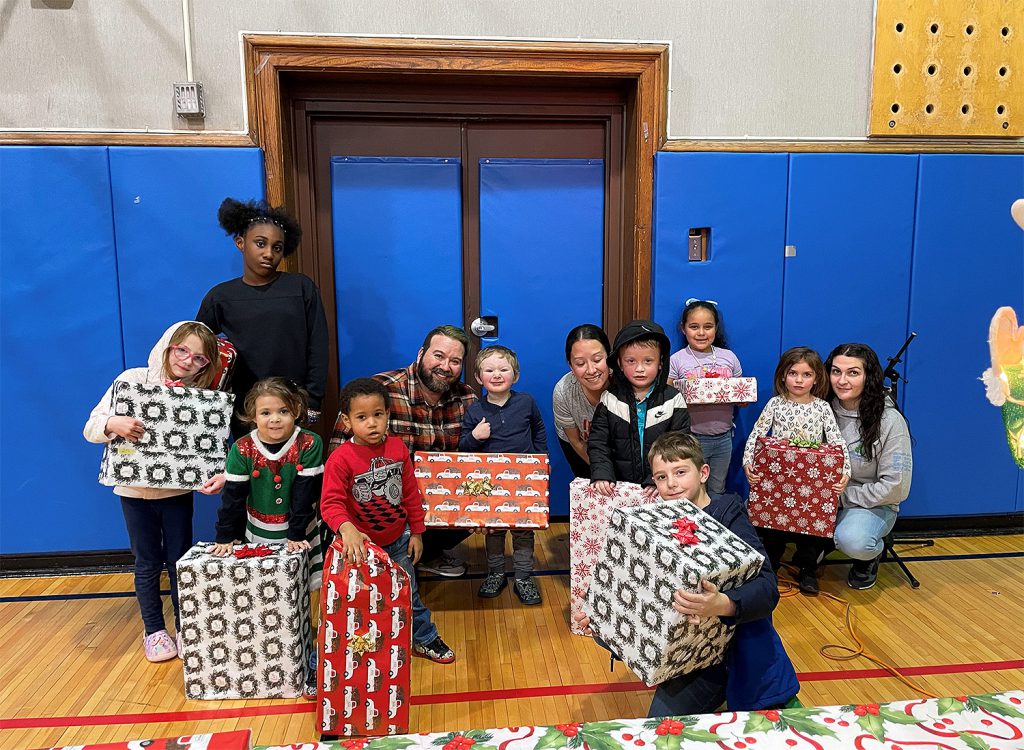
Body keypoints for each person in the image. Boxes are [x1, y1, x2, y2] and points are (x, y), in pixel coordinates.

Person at [576, 432, 799, 715]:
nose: (671, 484)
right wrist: (603, 616)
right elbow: (642, 602)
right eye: (660, 477)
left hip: (735, 659)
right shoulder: (657, 524)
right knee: (660, 729)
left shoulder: (728, 513)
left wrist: (723, 604)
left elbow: (768, 588)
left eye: (680, 472)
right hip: (685, 658)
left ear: (704, 472)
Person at [84, 321, 221, 663]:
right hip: (133, 491)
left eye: (200, 359)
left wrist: (218, 474)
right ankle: (154, 630)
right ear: (168, 345)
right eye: (183, 350)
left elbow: (213, 449)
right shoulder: (131, 381)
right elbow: (91, 426)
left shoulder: (199, 398)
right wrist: (112, 424)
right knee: (146, 562)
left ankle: (185, 625)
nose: (189, 361)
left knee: (179, 560)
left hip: (176, 493)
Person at [321, 377, 456, 664]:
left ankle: (424, 638)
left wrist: (417, 532)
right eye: (362, 417)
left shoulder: (396, 450)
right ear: (346, 421)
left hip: (397, 542)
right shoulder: (340, 459)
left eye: (378, 415)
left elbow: (409, 494)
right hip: (358, 548)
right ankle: (336, 655)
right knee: (350, 603)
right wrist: (348, 530)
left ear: (387, 415)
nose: (371, 423)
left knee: (408, 593)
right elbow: (331, 504)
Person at [211, 376, 325, 698]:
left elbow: (305, 493)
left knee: (304, 589)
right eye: (266, 413)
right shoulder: (242, 448)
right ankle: (271, 647)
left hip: (300, 531)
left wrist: (295, 533)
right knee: (267, 591)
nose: (274, 419)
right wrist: (225, 536)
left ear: (297, 411)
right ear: (252, 415)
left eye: (283, 411)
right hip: (257, 531)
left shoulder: (309, 444)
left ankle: (308, 646)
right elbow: (233, 496)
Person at [332, 325, 477, 578]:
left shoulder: (467, 399)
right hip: (381, 506)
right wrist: (345, 525)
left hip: (434, 497)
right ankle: (382, 555)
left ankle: (427, 554)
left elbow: (480, 462)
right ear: (421, 354)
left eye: (455, 361)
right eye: (439, 356)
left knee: (478, 499)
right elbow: (338, 455)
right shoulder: (378, 392)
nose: (445, 366)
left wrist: (487, 511)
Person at [197, 198, 329, 437]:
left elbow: (318, 346)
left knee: (296, 471)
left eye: (277, 247)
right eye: (260, 243)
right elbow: (196, 348)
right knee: (248, 472)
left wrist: (313, 400)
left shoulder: (300, 287)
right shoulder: (220, 296)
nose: (269, 253)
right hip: (244, 411)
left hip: (293, 405)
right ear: (240, 243)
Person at [742, 347, 851, 595]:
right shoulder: (775, 404)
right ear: (783, 375)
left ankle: (808, 571)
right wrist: (749, 462)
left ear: (817, 378)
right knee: (772, 531)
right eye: (793, 373)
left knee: (810, 533)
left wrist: (845, 470)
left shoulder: (822, 408)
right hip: (778, 481)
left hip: (810, 483)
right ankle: (768, 569)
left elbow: (836, 442)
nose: (799, 380)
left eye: (806, 374)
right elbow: (757, 435)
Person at [459, 345, 548, 605]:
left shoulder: (526, 402)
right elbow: (463, 447)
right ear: (478, 378)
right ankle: (496, 573)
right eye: (489, 370)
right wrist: (475, 437)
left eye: (503, 369)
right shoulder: (475, 411)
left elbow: (539, 430)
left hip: (525, 479)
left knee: (523, 531)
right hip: (488, 483)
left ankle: (523, 577)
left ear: (515, 375)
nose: (496, 375)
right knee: (494, 531)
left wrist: (543, 461)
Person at [826, 343, 913, 590]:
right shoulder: (820, 409)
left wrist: (842, 497)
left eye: (853, 373)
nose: (842, 380)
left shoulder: (889, 420)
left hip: (870, 503)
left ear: (869, 376)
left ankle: (872, 551)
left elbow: (896, 488)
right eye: (836, 371)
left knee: (854, 541)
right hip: (826, 501)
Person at [588, 320, 690, 496]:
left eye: (648, 361)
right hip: (618, 490)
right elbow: (598, 444)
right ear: (620, 363)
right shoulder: (609, 400)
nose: (640, 369)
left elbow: (679, 446)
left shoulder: (674, 399)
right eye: (631, 361)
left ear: (660, 363)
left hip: (660, 489)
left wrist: (658, 477)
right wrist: (603, 474)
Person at [669, 299, 745, 495]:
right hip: (692, 437)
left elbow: (742, 399)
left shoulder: (728, 357)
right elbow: (668, 400)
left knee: (717, 487)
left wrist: (733, 393)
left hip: (724, 437)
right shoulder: (677, 360)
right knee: (691, 489)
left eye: (708, 327)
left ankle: (714, 523)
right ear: (683, 328)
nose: (701, 333)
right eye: (694, 327)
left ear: (716, 328)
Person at [552, 324, 612, 478]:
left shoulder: (625, 383)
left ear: (609, 357)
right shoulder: (563, 391)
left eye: (597, 360)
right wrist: (603, 473)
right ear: (570, 366)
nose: (591, 370)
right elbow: (576, 441)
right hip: (580, 445)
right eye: (580, 363)